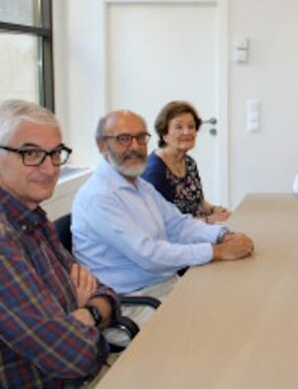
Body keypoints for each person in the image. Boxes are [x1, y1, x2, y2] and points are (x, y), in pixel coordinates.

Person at [0, 100, 118, 387]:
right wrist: (90, 319)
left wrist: (85, 314)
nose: (50, 169)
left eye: (55, 153)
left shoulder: (29, 214)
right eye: (31, 153)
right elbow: (77, 357)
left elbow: (105, 292)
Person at [72, 110, 253, 324]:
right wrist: (217, 251)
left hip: (164, 285)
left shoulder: (140, 185)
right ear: (102, 145)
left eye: (141, 138)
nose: (136, 146)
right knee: (223, 319)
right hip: (133, 302)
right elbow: (149, 255)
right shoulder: (99, 197)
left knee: (239, 300)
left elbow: (179, 225)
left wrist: (223, 235)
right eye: (123, 139)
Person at [142, 101, 230, 223]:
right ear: (164, 134)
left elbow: (198, 201)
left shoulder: (189, 162)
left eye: (191, 126)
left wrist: (215, 210)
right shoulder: (155, 172)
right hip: (177, 238)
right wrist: (209, 220)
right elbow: (163, 224)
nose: (187, 132)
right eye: (179, 127)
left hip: (198, 229)